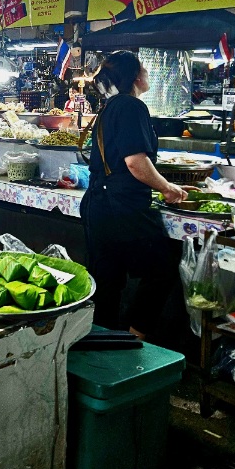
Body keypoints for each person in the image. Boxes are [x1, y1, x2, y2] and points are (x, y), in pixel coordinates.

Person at [79, 51, 188, 339]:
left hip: (99, 203)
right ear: (136, 77)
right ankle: (135, 336)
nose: (148, 75)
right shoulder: (131, 106)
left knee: (108, 281)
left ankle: (103, 343)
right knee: (162, 268)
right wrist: (167, 187)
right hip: (122, 207)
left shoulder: (111, 105)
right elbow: (135, 162)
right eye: (145, 71)